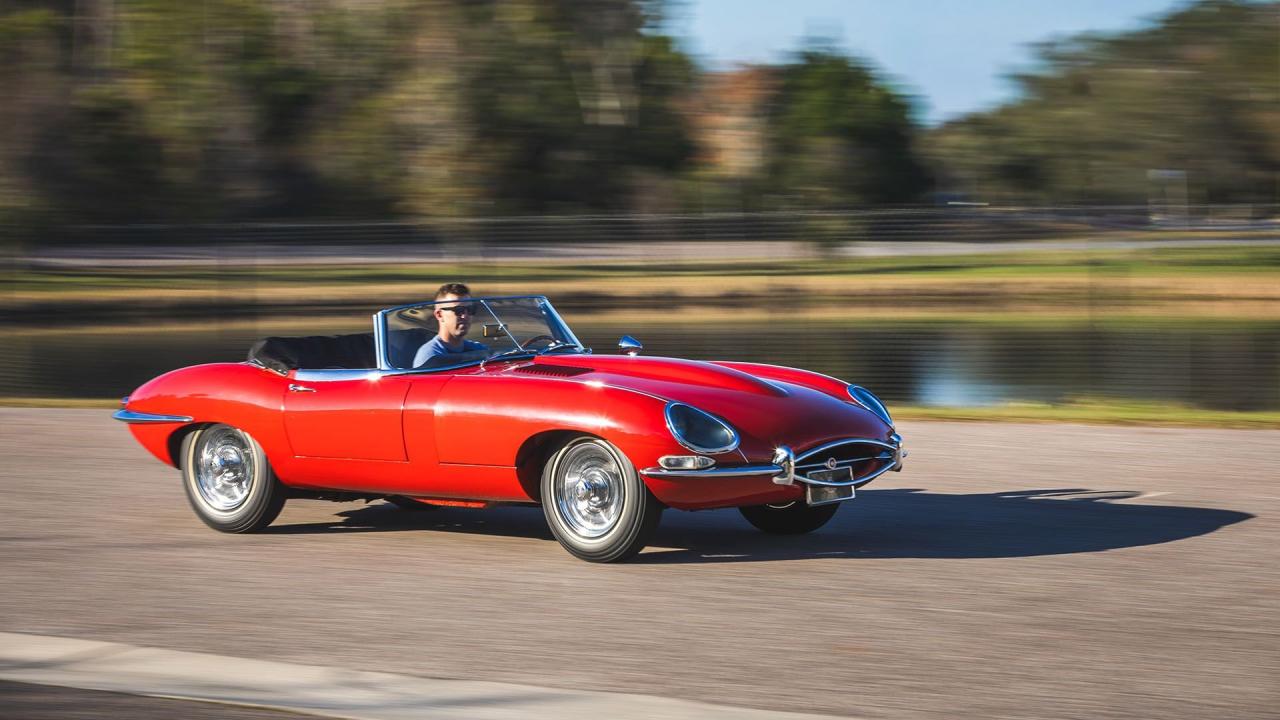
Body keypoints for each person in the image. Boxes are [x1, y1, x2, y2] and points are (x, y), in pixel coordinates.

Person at [412, 283, 488, 367]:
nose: (465, 316)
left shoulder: (479, 350)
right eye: (459, 310)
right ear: (439, 315)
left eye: (470, 310)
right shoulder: (431, 357)